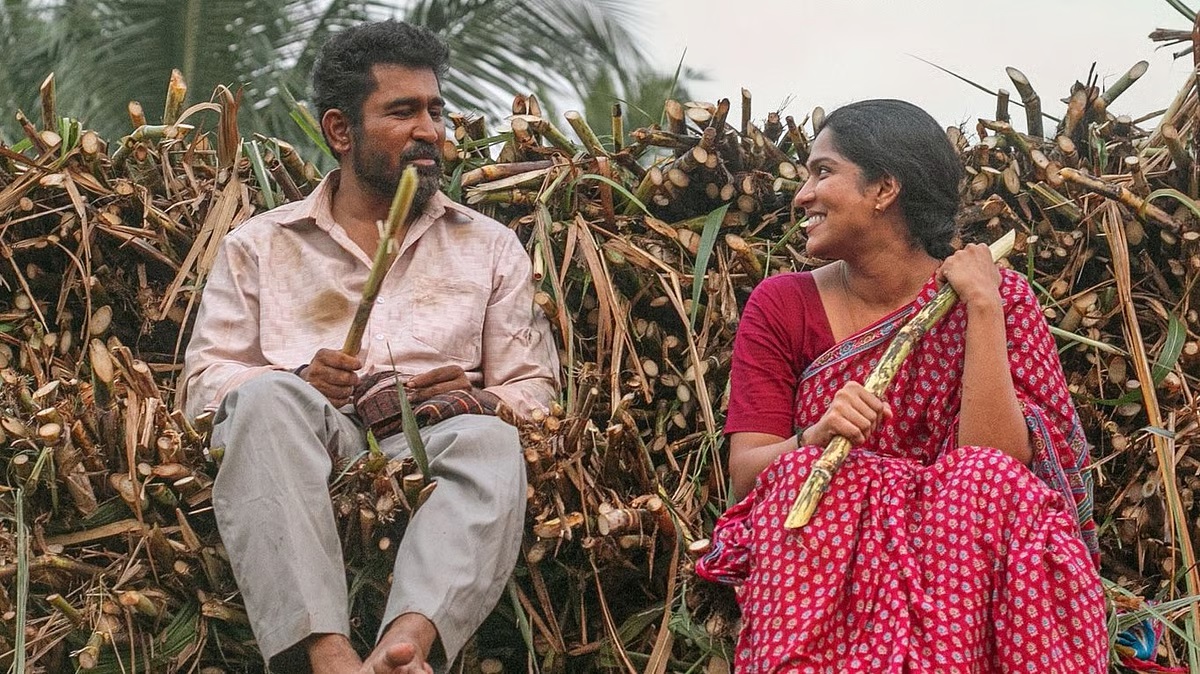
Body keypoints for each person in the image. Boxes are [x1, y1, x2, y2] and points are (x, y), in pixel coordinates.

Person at [180, 20, 559, 674]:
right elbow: (203, 386)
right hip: (313, 441)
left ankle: (402, 649)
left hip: (434, 440)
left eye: (436, 110)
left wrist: (479, 398)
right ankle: (328, 656)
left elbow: (536, 390)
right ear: (339, 130)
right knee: (266, 400)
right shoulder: (259, 246)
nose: (430, 130)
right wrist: (299, 380)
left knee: (491, 440)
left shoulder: (490, 247)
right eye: (402, 111)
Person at [695, 99, 1106, 672]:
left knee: (982, 478)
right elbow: (747, 474)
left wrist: (982, 306)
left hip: (963, 564)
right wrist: (816, 436)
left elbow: (997, 467)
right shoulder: (781, 305)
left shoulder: (996, 297)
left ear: (885, 188)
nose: (802, 196)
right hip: (831, 565)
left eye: (823, 172)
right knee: (804, 476)